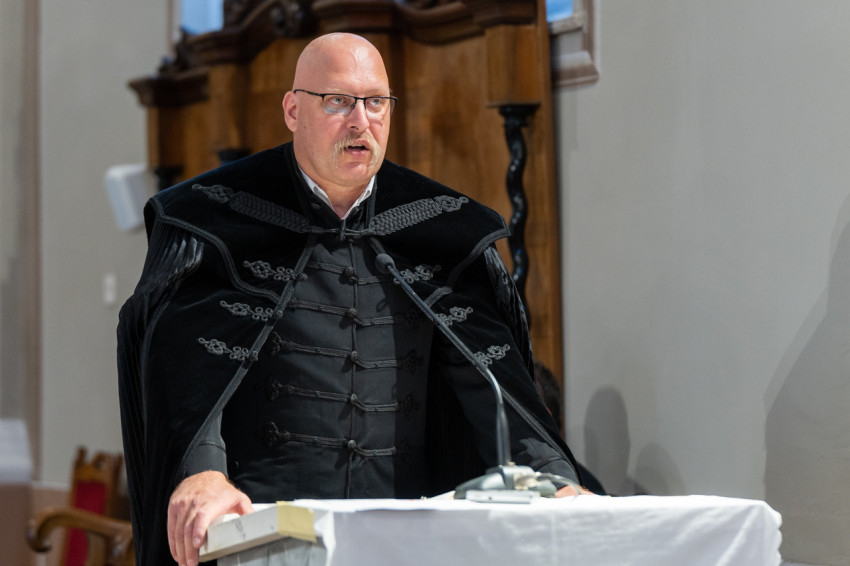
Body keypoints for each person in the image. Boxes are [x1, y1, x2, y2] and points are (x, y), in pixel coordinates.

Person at [118, 33, 583, 566]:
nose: (361, 120)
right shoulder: (215, 220)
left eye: (375, 102)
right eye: (338, 101)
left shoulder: (443, 230)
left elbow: (493, 383)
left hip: (404, 539)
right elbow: (184, 375)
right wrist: (202, 473)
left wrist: (553, 477)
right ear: (293, 110)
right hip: (265, 537)